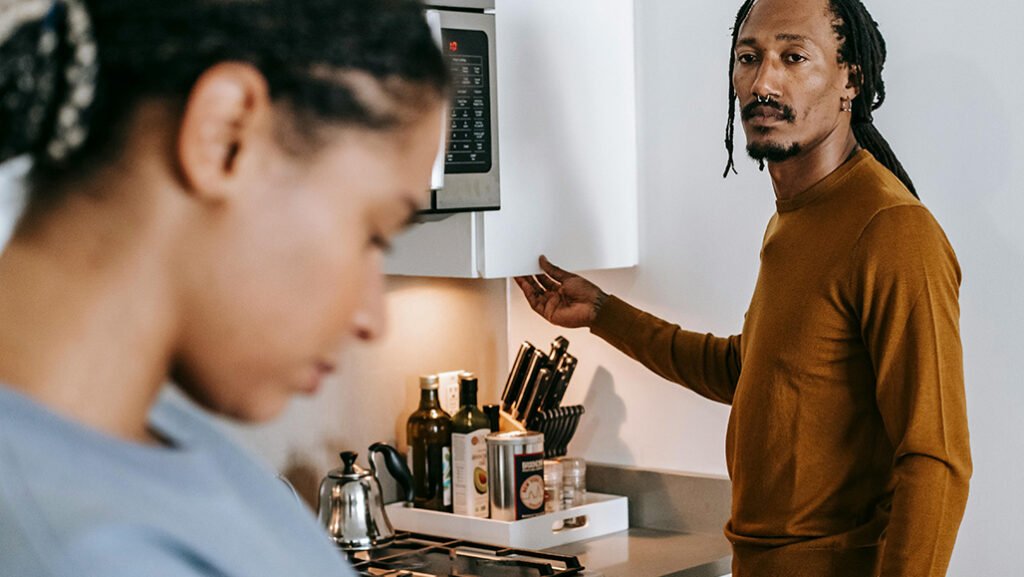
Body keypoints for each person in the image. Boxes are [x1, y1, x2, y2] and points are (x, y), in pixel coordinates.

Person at [516, 0, 971, 576]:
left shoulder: (893, 230)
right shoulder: (796, 219)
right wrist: (604, 313)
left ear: (849, 80)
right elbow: (750, 371)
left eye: (794, 56)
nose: (763, 81)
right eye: (748, 58)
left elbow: (936, 456)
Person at [0, 0, 447, 575]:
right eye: (373, 233)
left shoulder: (153, 438)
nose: (371, 318)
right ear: (225, 133)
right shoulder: (81, 549)